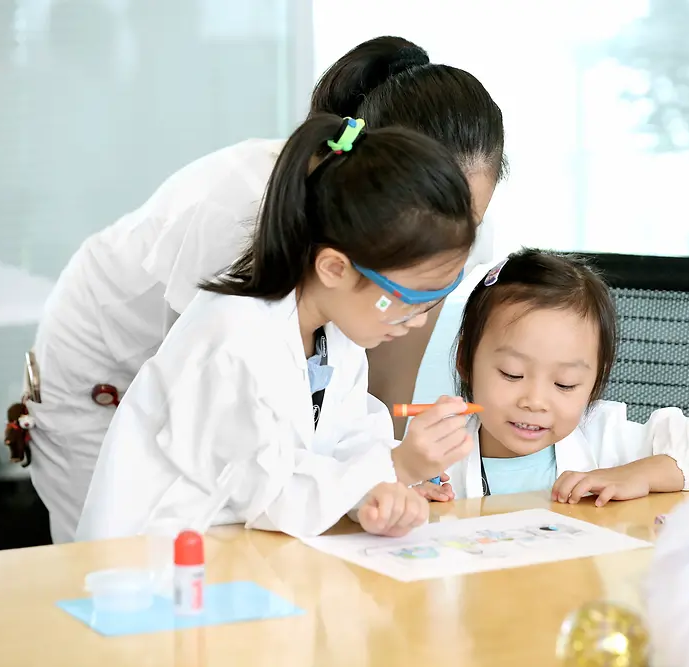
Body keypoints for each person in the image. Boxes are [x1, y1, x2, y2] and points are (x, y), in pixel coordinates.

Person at [15, 35, 506, 543]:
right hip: (111, 397)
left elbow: (338, 422)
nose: (452, 233)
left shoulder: (338, 312)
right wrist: (393, 468)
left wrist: (373, 486)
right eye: (406, 297)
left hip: (228, 480)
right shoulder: (236, 271)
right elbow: (261, 476)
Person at [74, 114, 479, 541]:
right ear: (335, 268)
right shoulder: (233, 338)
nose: (414, 321)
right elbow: (269, 491)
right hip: (155, 559)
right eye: (406, 300)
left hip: (241, 553)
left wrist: (378, 494)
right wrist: (399, 468)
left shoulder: (334, 336)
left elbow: (346, 442)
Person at [441, 249, 689, 501]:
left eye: (564, 384)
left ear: (594, 383)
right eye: (512, 374)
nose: (535, 401)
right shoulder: (434, 452)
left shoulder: (606, 439)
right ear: (465, 360)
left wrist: (641, 474)